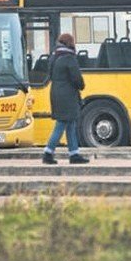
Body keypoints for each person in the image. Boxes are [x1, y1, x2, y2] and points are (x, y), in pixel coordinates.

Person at [42, 33, 90, 165]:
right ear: (70, 43)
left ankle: (74, 154)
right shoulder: (69, 58)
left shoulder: (54, 57)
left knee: (70, 124)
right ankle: (48, 152)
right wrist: (81, 86)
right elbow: (77, 78)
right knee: (62, 124)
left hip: (56, 93)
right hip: (68, 95)